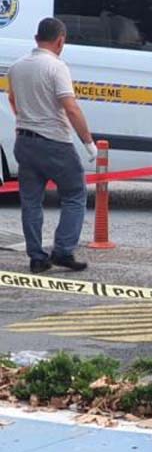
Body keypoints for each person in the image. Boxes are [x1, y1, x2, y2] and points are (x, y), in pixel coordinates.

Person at [7, 17, 96, 274]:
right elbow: (71, 107)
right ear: (60, 41)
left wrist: (26, 118)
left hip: (24, 140)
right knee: (75, 194)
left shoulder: (16, 67)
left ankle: (36, 257)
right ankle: (63, 250)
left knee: (31, 201)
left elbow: (13, 100)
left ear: (36, 39)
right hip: (55, 142)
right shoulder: (56, 67)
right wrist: (88, 143)